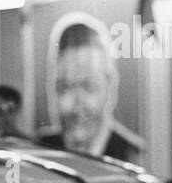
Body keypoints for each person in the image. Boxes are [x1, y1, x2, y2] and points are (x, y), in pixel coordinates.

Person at [37, 16, 144, 161]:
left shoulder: (136, 158)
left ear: (109, 87)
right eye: (65, 88)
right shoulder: (38, 152)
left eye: (89, 86)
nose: (77, 105)